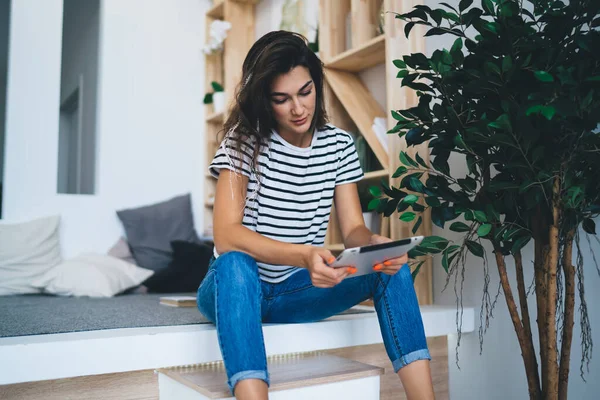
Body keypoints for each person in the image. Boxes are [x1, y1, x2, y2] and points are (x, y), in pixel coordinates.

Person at [197, 30, 434, 400]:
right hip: (235, 288)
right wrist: (305, 256)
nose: (298, 108)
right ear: (264, 99)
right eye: (282, 99)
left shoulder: (339, 146)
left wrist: (373, 245)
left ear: (317, 85)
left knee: (391, 265)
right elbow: (226, 235)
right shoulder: (243, 143)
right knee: (234, 262)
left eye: (305, 92)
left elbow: (353, 228)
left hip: (295, 290)